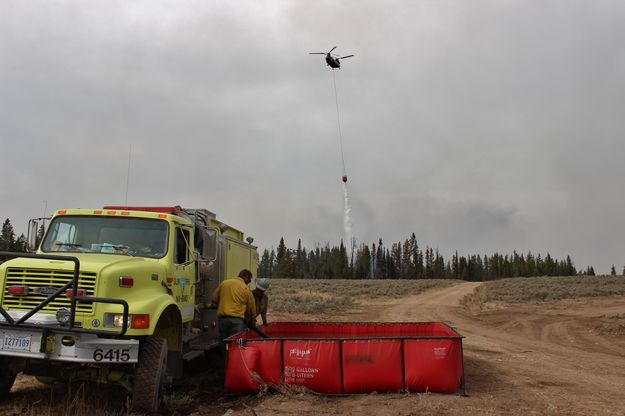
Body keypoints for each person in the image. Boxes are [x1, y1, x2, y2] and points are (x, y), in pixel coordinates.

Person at [210, 269, 256, 340]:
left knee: (223, 342)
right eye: (249, 279)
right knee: (234, 343)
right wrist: (252, 319)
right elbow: (251, 308)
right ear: (245, 276)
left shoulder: (224, 283)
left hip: (223, 320)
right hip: (237, 321)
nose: (249, 282)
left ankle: (224, 351)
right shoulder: (246, 289)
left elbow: (214, 299)